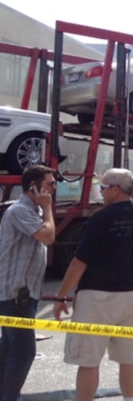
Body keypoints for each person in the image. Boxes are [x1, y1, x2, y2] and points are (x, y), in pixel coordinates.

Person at [53, 168, 133, 401]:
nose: (101, 191)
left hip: (98, 298)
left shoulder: (100, 218)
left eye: (103, 187)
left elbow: (79, 262)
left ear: (115, 190)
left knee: (88, 361)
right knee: (130, 359)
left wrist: (61, 297)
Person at [0, 164, 56, 401]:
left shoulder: (34, 211)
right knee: (23, 351)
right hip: (16, 293)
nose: (53, 188)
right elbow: (48, 236)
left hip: (23, 292)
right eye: (49, 183)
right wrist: (48, 209)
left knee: (9, 347)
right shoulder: (21, 210)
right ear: (33, 186)